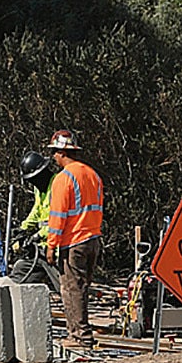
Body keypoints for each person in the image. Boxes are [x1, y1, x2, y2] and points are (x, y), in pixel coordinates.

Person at [43, 130, 104, 349]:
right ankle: (80, 332)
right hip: (93, 239)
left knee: (71, 289)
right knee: (82, 288)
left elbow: (58, 215)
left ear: (62, 152)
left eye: (54, 152)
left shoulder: (63, 179)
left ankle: (80, 336)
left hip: (74, 242)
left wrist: (51, 245)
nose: (53, 157)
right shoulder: (93, 175)